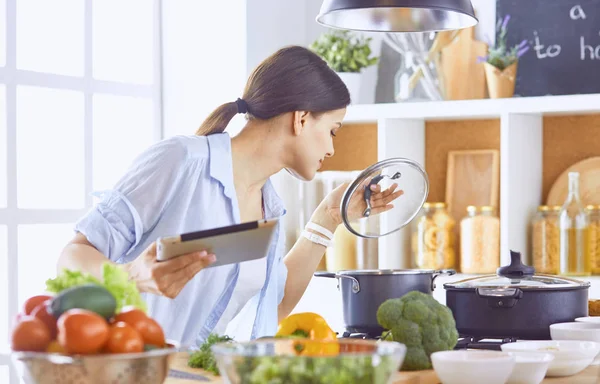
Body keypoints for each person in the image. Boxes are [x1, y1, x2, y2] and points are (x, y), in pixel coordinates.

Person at [56, 45, 401, 348]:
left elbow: (274, 307)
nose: (331, 148)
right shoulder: (181, 161)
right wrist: (132, 275)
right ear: (300, 119)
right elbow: (72, 256)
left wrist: (329, 217)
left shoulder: (269, 207)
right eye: (332, 131)